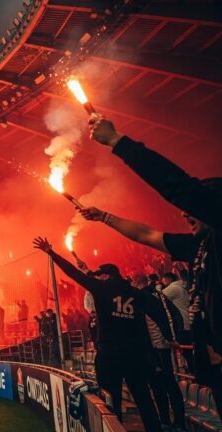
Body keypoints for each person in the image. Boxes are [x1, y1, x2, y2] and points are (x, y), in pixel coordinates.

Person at [85, 114, 221, 417]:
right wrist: (104, 217)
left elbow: (179, 187)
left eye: (193, 208)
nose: (184, 214)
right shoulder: (196, 246)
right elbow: (146, 234)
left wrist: (118, 142)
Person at [33, 236, 170, 432]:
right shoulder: (135, 293)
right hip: (135, 355)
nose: (97, 278)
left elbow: (72, 273)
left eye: (99, 275)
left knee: (110, 402)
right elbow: (160, 312)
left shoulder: (101, 288)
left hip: (109, 354)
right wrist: (171, 338)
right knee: (144, 399)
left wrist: (51, 253)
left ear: (105, 276)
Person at [132, 274, 186, 430]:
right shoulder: (158, 294)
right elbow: (173, 314)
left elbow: (165, 317)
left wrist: (170, 338)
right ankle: (172, 422)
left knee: (163, 386)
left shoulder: (146, 296)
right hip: (160, 346)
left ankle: (173, 422)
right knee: (166, 385)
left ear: (137, 283)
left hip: (157, 347)